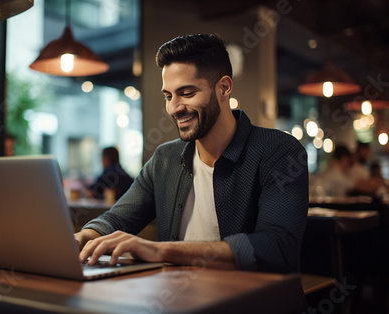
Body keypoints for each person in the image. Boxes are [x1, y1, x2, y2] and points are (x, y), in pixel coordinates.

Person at [75, 33, 309, 274]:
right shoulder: (165, 159)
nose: (174, 108)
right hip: (177, 299)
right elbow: (117, 219)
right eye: (168, 96)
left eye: (187, 93)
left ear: (224, 88)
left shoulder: (279, 151)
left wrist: (160, 250)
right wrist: (83, 237)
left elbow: (277, 248)